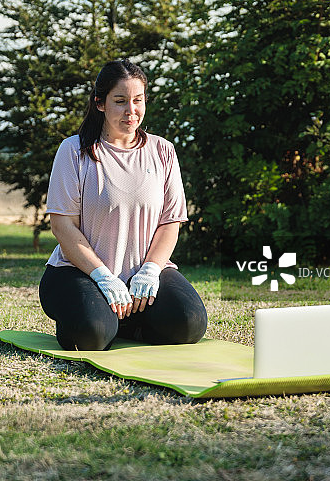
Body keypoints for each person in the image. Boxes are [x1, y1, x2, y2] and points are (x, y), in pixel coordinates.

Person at [39, 58, 208, 350]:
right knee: (91, 334)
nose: (131, 112)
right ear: (100, 103)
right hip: (80, 272)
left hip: (141, 276)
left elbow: (170, 222)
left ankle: (128, 322)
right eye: (120, 101)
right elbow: (62, 226)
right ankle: (94, 317)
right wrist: (103, 276)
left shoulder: (163, 151)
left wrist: (151, 270)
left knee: (189, 322)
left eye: (138, 101)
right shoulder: (74, 151)